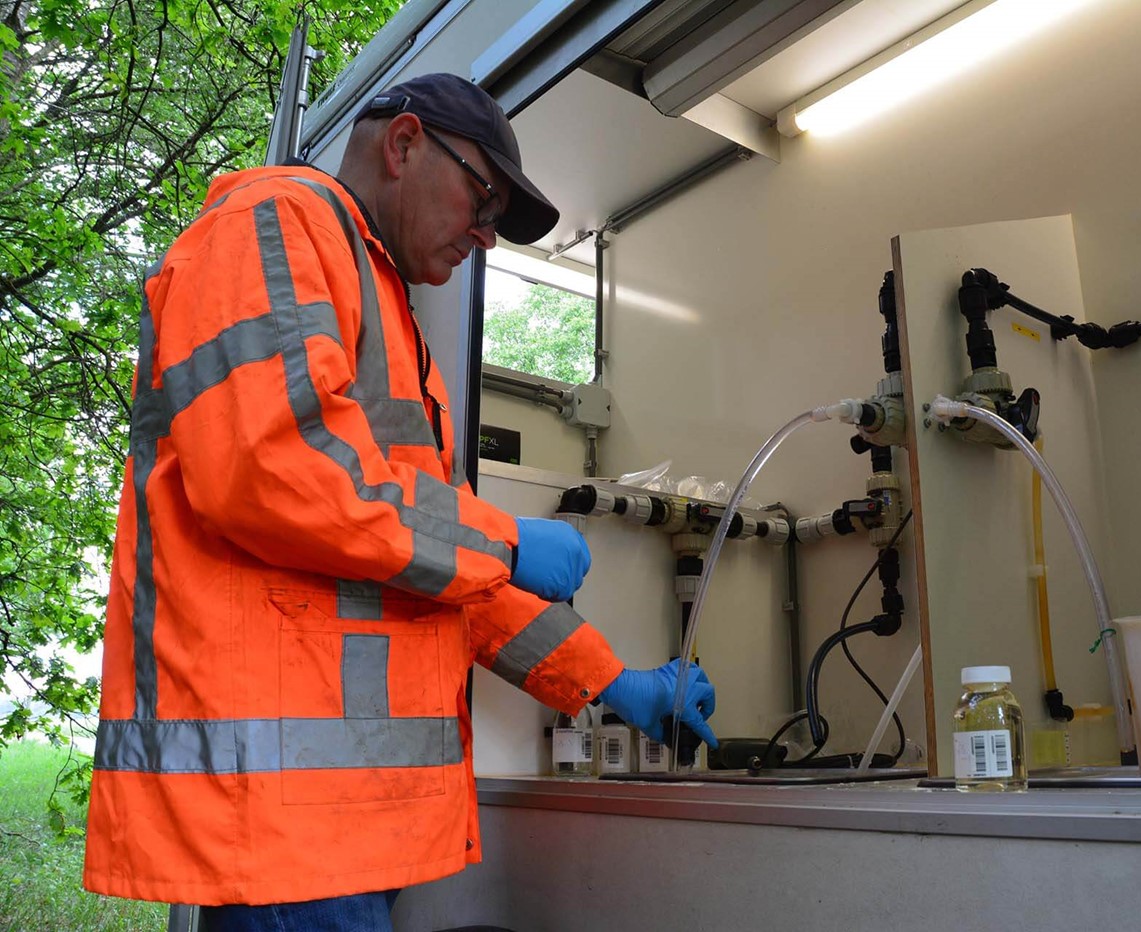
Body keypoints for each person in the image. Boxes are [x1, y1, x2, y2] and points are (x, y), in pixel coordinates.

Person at [82, 72, 718, 931]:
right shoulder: (273, 223)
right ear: (405, 142)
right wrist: (500, 537)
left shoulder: (382, 304)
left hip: (342, 825)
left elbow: (432, 565)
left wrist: (610, 680)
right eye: (483, 198)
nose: (488, 237)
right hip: (279, 824)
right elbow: (272, 467)